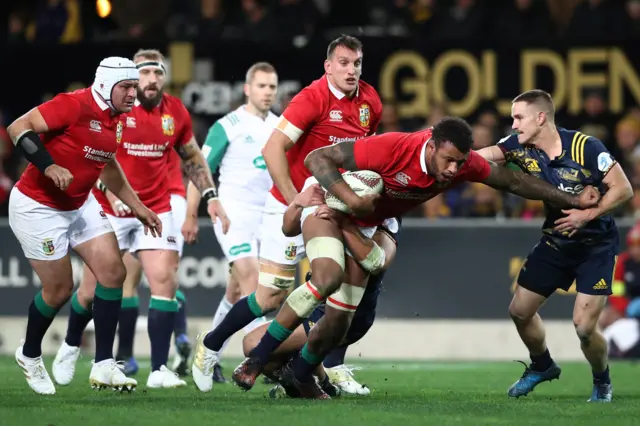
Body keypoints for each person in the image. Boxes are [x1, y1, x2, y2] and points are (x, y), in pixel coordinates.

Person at [233, 116, 601, 398]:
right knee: (327, 278)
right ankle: (256, 359)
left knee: (342, 325)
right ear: (431, 145)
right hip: (333, 207)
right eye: (449, 160)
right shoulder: (393, 148)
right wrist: (350, 199)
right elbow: (317, 157)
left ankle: (301, 375)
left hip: (366, 224)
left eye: (460, 163)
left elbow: (514, 182)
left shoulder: (460, 163)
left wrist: (569, 199)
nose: (454, 171)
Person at [191, 34, 383, 394]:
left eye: (356, 63)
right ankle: (211, 345)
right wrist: (296, 199)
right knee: (270, 296)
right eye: (343, 62)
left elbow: (365, 155)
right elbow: (272, 147)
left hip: (329, 207)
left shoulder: (370, 100)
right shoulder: (311, 98)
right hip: (288, 203)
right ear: (328, 66)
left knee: (336, 284)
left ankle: (328, 367)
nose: (351, 70)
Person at [51, 49, 229, 389]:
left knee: (165, 280)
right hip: (110, 206)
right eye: (144, 74)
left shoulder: (175, 111)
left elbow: (191, 157)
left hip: (156, 206)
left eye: (157, 73)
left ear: (164, 77)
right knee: (90, 290)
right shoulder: (117, 109)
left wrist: (211, 196)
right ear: (131, 79)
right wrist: (113, 193)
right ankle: (71, 345)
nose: (151, 80)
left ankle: (159, 369)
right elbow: (91, 158)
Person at [8, 57, 162, 395]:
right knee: (60, 291)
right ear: (106, 85)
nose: (132, 94)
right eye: (126, 87)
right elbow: (18, 127)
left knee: (113, 272)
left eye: (134, 87)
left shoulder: (117, 118)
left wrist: (138, 207)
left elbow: (107, 167)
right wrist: (48, 166)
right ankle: (30, 353)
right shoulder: (72, 105)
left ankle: (105, 365)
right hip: (38, 206)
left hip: (79, 203)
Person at [477, 89, 633, 402]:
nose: (514, 124)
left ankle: (602, 381)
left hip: (596, 246)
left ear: (540, 117)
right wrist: (441, 156)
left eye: (518, 117)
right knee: (519, 312)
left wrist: (587, 214)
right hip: (555, 243)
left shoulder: (586, 147)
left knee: (584, 328)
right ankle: (542, 364)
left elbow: (624, 189)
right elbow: (482, 156)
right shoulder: (518, 146)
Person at [181, 62, 280, 383]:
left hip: (268, 218)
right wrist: (190, 214)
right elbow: (200, 169)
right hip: (233, 214)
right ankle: (260, 360)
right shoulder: (228, 125)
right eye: (262, 86)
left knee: (237, 291)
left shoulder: (280, 127)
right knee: (252, 278)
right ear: (247, 89)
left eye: (272, 87)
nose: (267, 92)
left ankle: (208, 354)